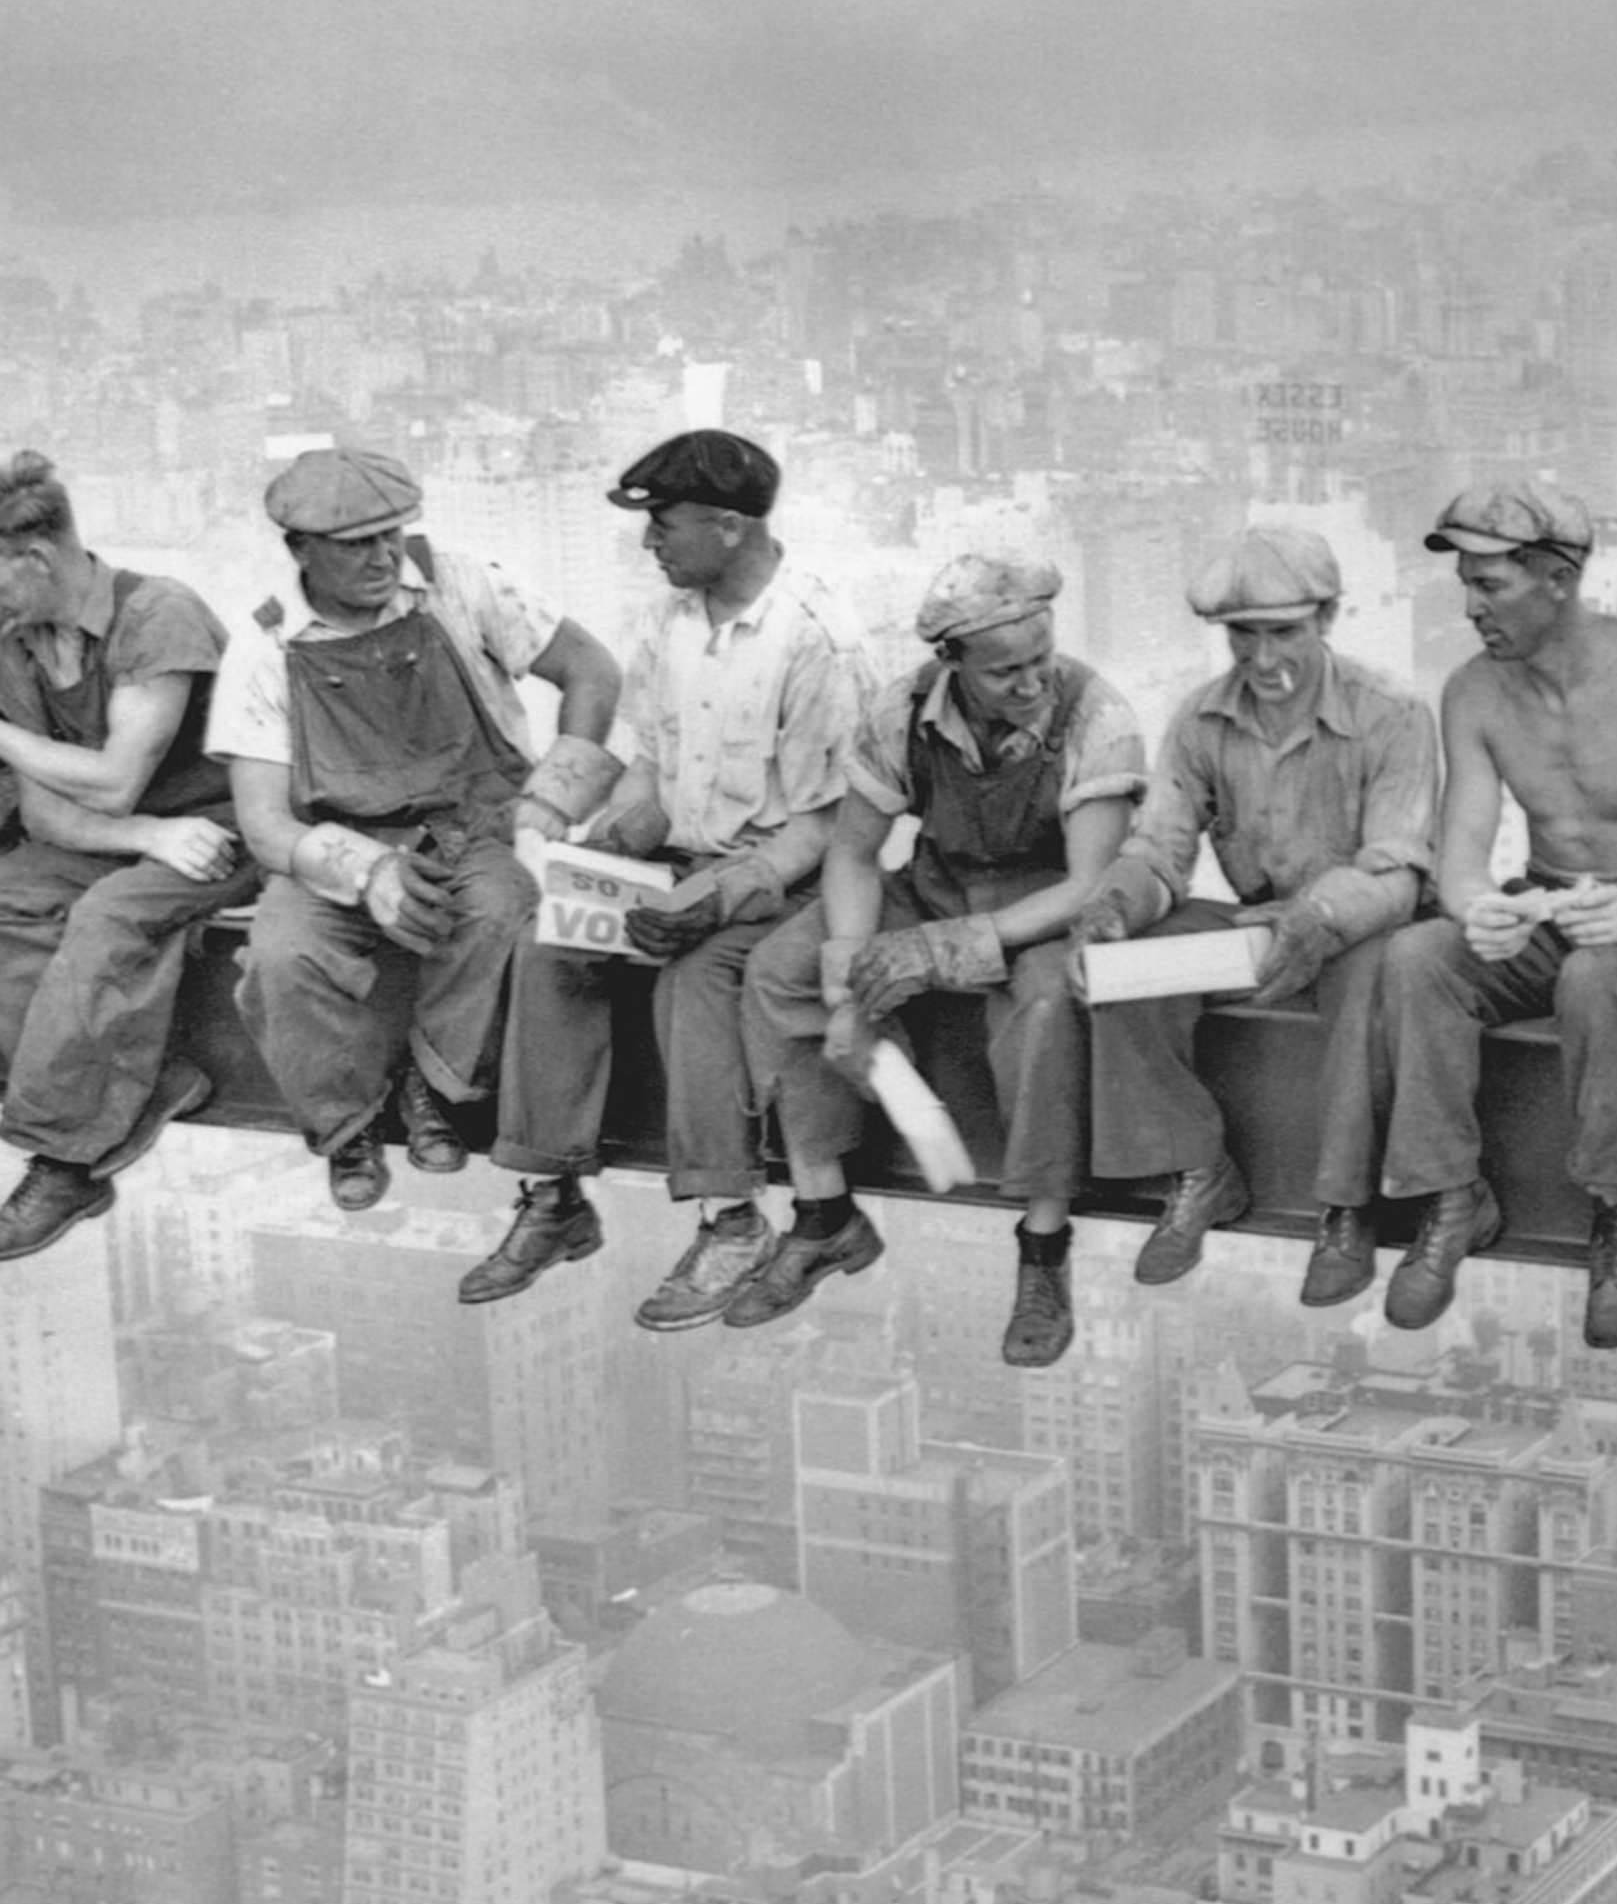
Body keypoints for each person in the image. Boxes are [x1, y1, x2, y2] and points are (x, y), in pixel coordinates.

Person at [461, 430, 875, 1328]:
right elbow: (651, 763)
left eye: (666, 526)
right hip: (678, 865)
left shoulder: (817, 640)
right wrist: (611, 848)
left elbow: (828, 824)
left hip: (774, 883)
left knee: (698, 979)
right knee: (551, 944)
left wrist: (721, 895)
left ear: (729, 527)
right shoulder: (669, 622)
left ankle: (731, 1220)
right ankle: (552, 1195)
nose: (652, 544)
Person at [734, 548, 1142, 1339]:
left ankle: (1043, 1244)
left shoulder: (1099, 717)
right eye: (1004, 672)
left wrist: (941, 952)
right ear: (952, 663)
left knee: (1050, 1010)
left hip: (1045, 911)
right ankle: (823, 1212)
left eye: (1040, 661)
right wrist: (849, 983)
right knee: (780, 971)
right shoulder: (901, 712)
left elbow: (1088, 885)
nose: (1030, 685)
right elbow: (853, 853)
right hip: (935, 886)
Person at [213, 446, 623, 1210]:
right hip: (340, 843)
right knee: (280, 953)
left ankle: (436, 1088)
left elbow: (593, 671)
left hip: (477, 826)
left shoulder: (460, 582)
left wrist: (549, 802)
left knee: (501, 913)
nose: (382, 556)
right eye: (354, 543)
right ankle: (346, 1127)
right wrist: (367, 872)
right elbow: (265, 822)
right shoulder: (264, 645)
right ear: (300, 549)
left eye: (390, 533)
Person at [1367, 480, 1617, 1339]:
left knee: (1596, 983)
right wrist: (1479, 909)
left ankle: (1616, 1217)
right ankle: (1453, 1196)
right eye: (1467, 584)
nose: (1471, 606)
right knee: (1417, 959)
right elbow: (1462, 853)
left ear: (1558, 579)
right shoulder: (1474, 693)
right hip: (1550, 900)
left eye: (1491, 585)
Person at [1070, 525, 1439, 1326]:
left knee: (1369, 975)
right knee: (1128, 965)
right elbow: (1162, 850)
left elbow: (1399, 868)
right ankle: (1196, 1165)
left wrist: (1320, 915)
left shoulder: (1392, 715)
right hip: (1258, 923)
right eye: (1245, 635)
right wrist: (1113, 908)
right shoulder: (1202, 720)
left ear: (1328, 619)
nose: (1264, 658)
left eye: (1285, 633)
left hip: (1354, 923)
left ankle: (1344, 1207)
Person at [0, 454, 259, 1257]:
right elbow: (46, 808)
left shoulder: (158, 616)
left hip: (227, 830)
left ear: (36, 559)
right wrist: (144, 836)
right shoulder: (20, 640)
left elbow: (111, 782)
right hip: (141, 837)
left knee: (111, 920)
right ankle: (153, 1082)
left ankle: (67, 1160)